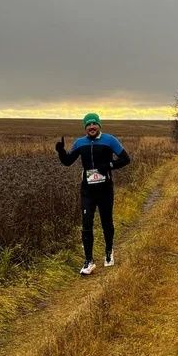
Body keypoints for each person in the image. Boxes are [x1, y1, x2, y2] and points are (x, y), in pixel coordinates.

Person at [56, 113, 131, 275]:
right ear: (85, 128)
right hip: (87, 191)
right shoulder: (80, 143)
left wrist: (109, 165)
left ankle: (109, 251)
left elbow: (126, 159)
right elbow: (68, 162)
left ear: (99, 126)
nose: (91, 127)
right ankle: (88, 261)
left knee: (106, 222)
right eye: (88, 125)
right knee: (86, 223)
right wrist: (61, 152)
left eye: (94, 124)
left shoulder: (110, 140)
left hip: (105, 190)